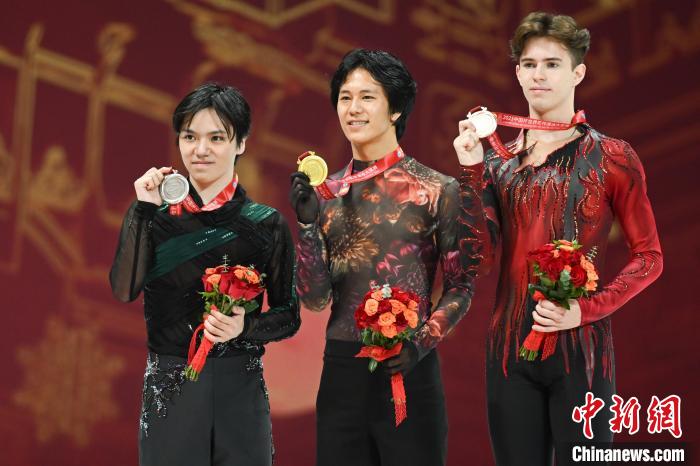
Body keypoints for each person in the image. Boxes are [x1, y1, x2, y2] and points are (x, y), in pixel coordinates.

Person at [453, 12, 663, 466]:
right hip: (508, 353)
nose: (539, 75)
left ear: (578, 73)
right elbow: (479, 260)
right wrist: (470, 170)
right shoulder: (498, 164)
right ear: (517, 73)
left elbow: (649, 257)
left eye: (552, 64)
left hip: (582, 351)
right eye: (529, 65)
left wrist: (585, 310)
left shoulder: (612, 156)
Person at [290, 49, 483, 466]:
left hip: (409, 369)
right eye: (345, 97)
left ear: (396, 109)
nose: (353, 108)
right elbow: (315, 299)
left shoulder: (437, 189)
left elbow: (461, 287)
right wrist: (306, 225)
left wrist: (421, 343)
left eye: (367, 97)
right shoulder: (325, 194)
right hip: (342, 375)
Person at [110, 82, 300, 466]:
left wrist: (244, 328)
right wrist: (142, 210)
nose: (200, 150)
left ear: (241, 143)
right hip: (170, 386)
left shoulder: (266, 224)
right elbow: (124, 289)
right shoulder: (154, 218)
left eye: (216, 138)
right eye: (190, 137)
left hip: (240, 389)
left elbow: (289, 316)